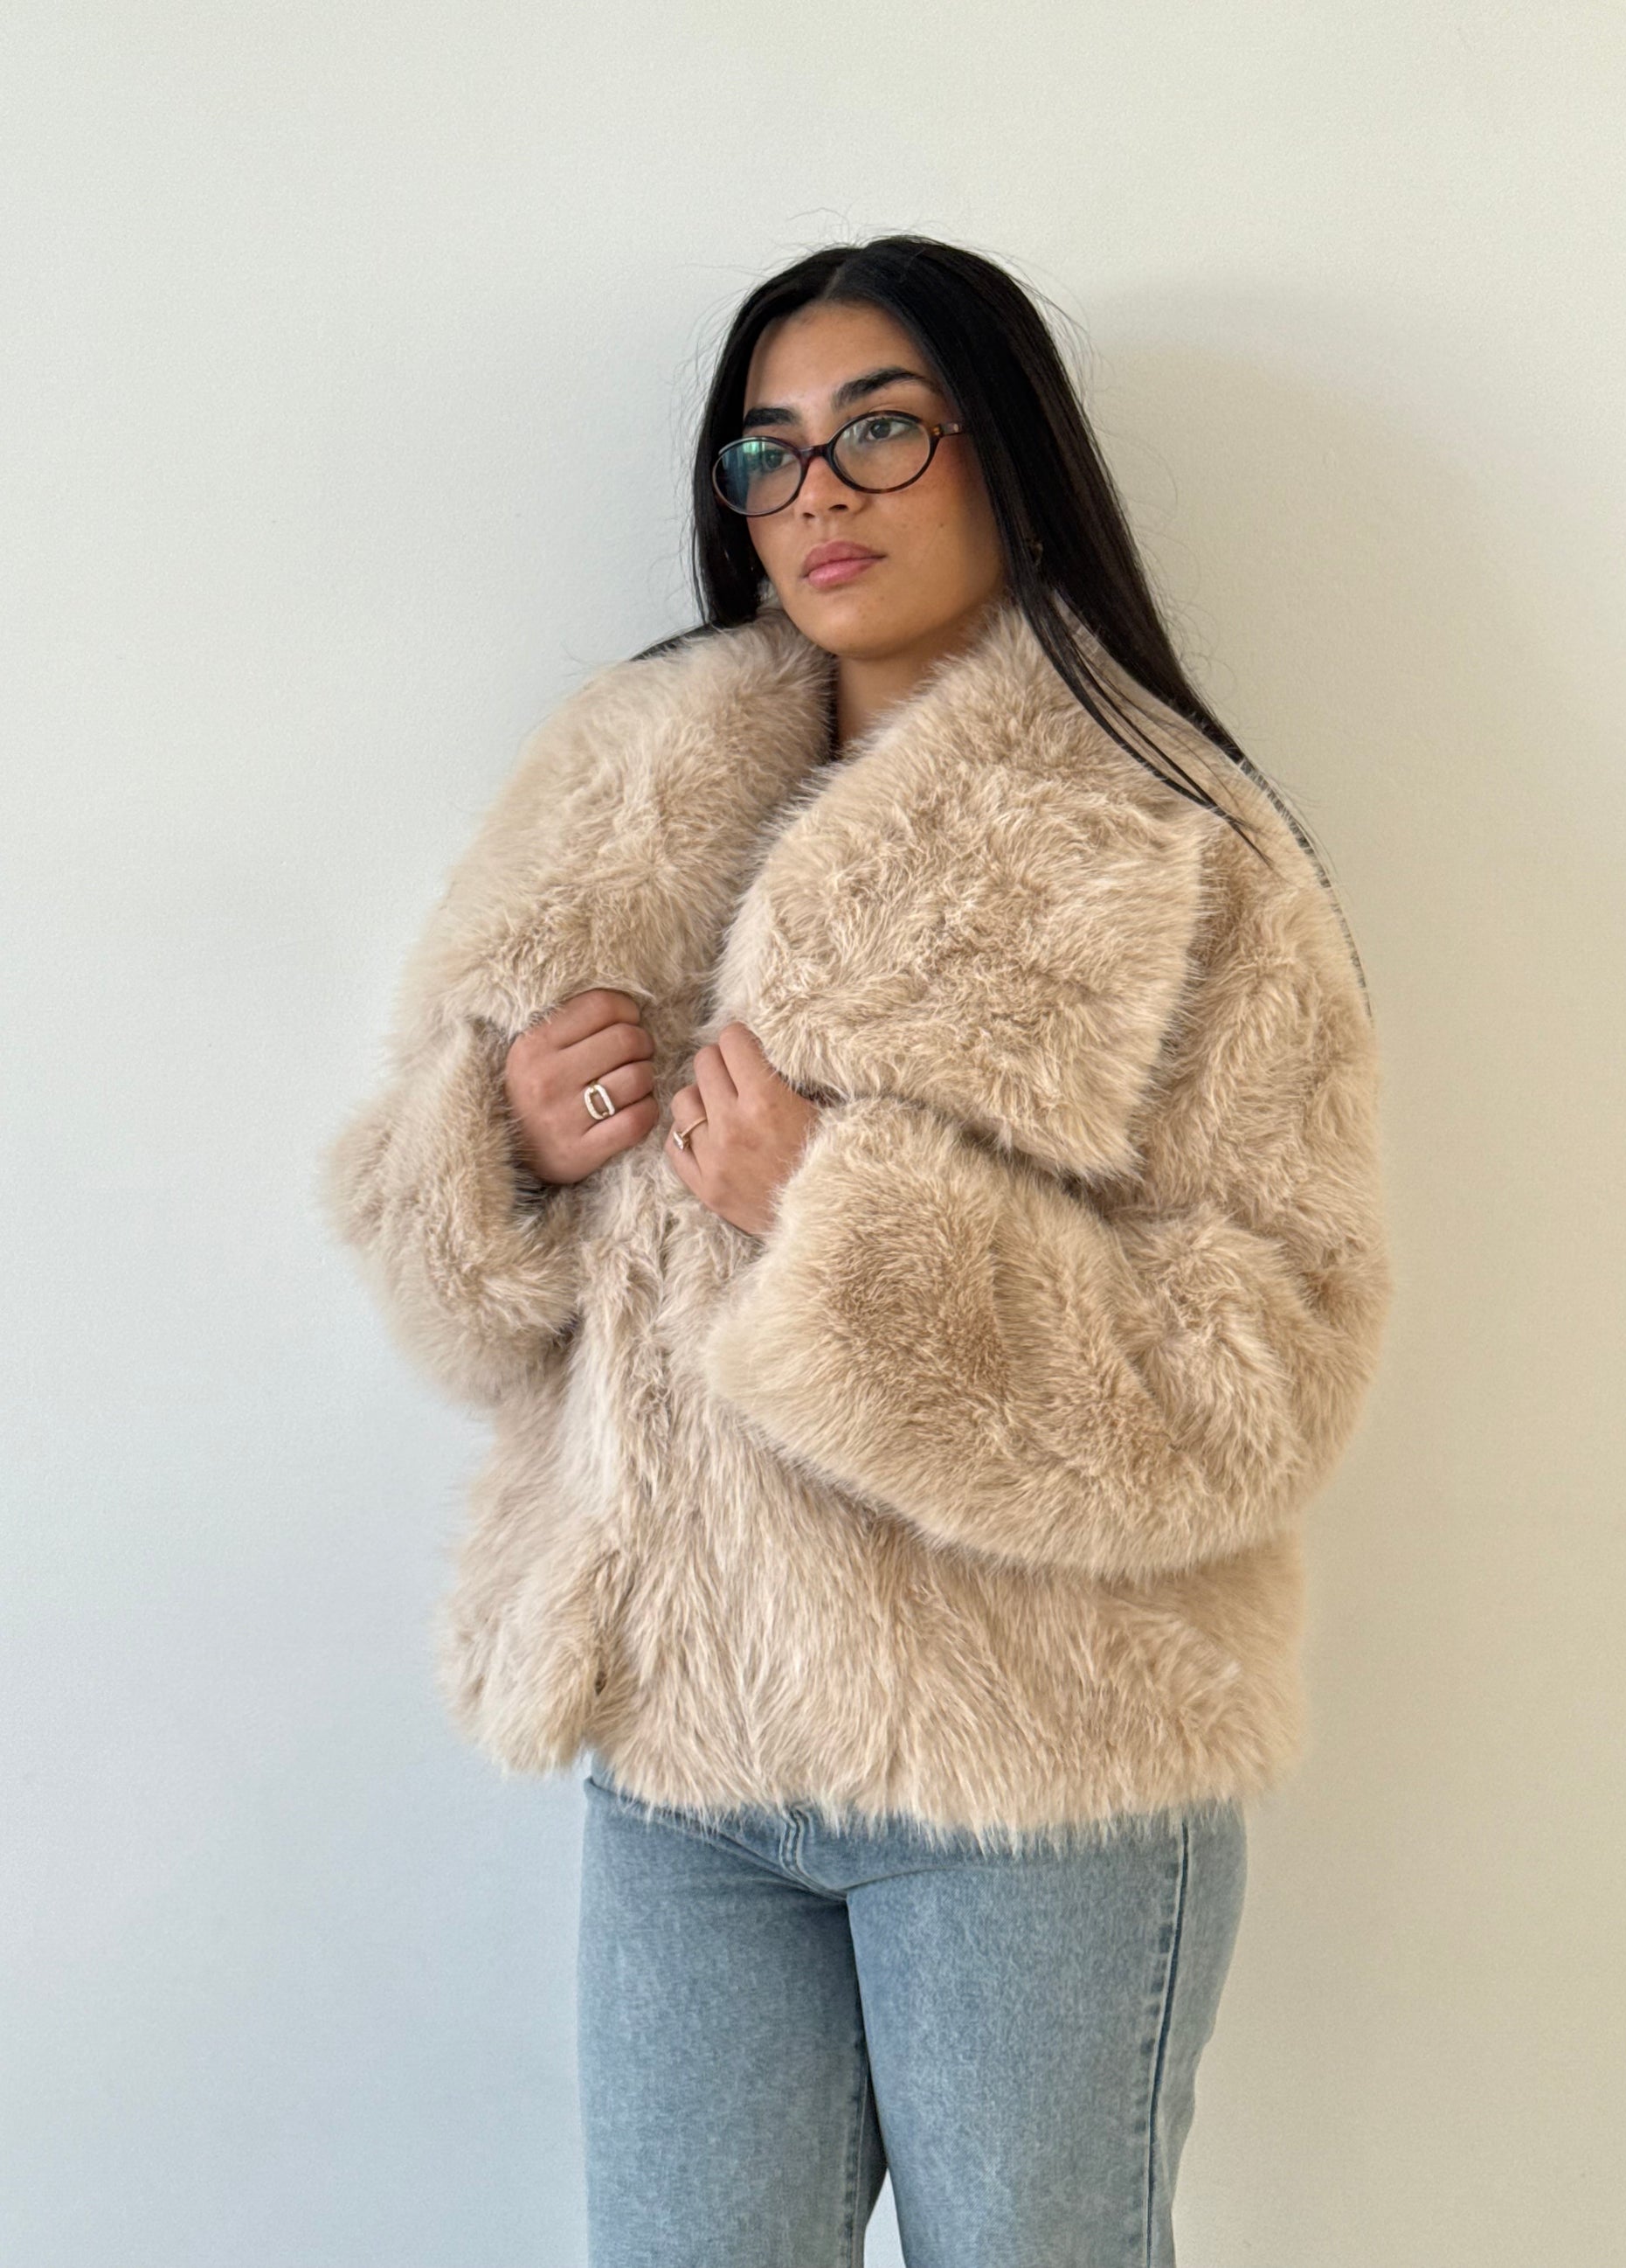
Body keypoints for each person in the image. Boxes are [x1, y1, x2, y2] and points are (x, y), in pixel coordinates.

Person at [318, 233, 1394, 2267]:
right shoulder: (612, 793)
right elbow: (431, 1267)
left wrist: (844, 1220)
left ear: (1008, 451)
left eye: (882, 430)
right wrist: (499, 1147)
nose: (817, 490)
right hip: (688, 1756)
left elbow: (1269, 1372)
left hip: (1040, 1764)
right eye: (770, 451)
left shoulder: (1175, 846)